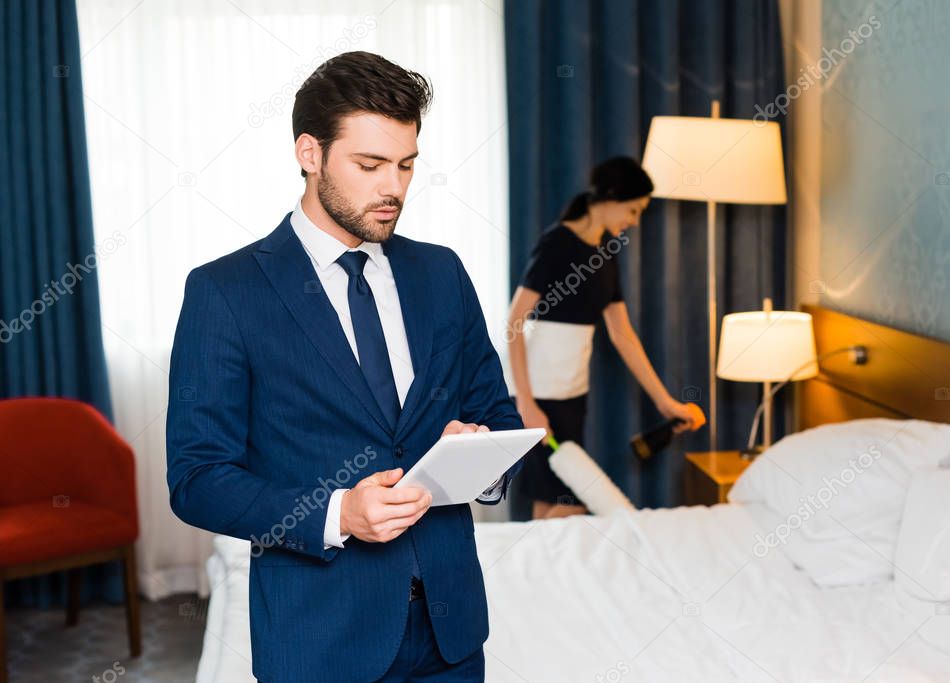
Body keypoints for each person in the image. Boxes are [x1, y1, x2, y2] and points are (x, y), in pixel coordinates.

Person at [166, 51, 521, 683]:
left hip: (451, 632)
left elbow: (497, 413)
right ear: (310, 153)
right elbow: (198, 478)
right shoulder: (225, 292)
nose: (395, 187)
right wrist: (337, 515)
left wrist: (478, 455)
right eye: (370, 164)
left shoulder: (442, 273)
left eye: (407, 164)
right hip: (319, 639)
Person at [506, 157, 707, 520]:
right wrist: (526, 403)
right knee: (560, 503)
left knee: (556, 503)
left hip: (572, 396)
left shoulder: (605, 255)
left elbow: (623, 335)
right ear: (610, 198)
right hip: (536, 396)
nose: (634, 220)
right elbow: (513, 323)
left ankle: (545, 574)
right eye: (633, 210)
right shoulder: (557, 244)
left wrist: (665, 403)